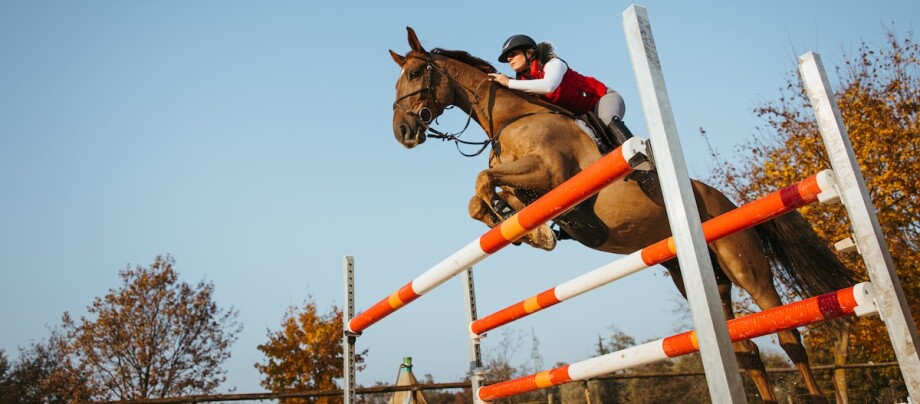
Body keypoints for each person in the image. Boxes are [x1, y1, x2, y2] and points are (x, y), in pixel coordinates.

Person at [488, 34, 630, 146]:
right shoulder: (523, 82)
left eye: (513, 53)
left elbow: (549, 86)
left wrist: (508, 83)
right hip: (583, 117)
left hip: (602, 99)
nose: (509, 59)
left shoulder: (552, 63)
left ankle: (643, 159)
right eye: (508, 57)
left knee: (606, 121)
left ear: (528, 52)